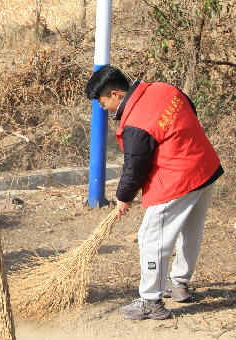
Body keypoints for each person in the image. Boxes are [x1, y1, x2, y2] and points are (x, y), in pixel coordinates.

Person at [85, 65, 223, 321]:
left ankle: (151, 301)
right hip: (205, 167)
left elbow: (135, 166)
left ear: (115, 93)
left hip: (178, 179)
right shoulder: (164, 89)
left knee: (151, 237)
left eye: (104, 103)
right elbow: (189, 113)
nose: (105, 109)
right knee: (190, 230)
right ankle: (179, 283)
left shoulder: (136, 121)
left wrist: (123, 197)